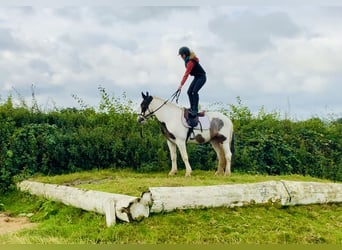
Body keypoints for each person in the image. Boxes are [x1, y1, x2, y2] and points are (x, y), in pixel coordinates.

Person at [178, 46, 206, 118]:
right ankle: (192, 108)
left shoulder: (190, 62)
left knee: (194, 92)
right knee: (189, 92)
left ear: (184, 55)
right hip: (197, 77)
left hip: (202, 77)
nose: (181, 57)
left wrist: (181, 84)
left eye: (181, 55)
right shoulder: (188, 60)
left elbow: (186, 74)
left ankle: (195, 110)